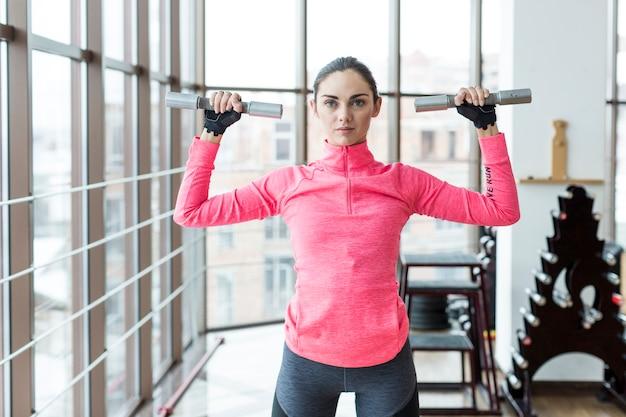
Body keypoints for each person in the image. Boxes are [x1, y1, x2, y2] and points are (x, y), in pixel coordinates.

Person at [173, 56, 520, 417]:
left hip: (385, 362)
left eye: (357, 102)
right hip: (306, 362)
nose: (344, 115)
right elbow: (190, 212)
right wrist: (211, 133)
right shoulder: (288, 184)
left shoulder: (403, 182)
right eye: (331, 102)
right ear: (314, 107)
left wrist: (487, 128)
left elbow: (501, 210)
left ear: (375, 107)